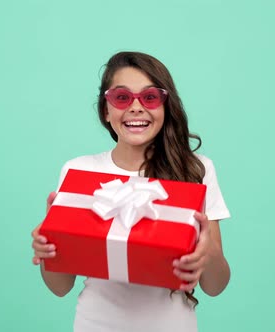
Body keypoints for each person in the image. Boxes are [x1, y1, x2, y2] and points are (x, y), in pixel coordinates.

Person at [31, 51, 231, 332]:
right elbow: (60, 287)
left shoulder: (196, 170)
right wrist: (50, 248)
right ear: (106, 109)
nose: (136, 107)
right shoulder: (80, 172)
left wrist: (206, 248)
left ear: (165, 105)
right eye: (122, 98)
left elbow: (215, 286)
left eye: (149, 97)